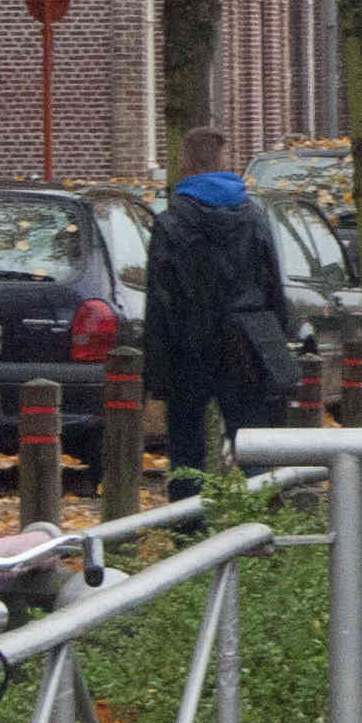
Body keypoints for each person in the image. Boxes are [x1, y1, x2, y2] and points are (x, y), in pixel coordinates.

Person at [148, 126, 293, 488]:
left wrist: (156, 368)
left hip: (188, 345)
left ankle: (189, 532)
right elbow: (272, 283)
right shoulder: (253, 217)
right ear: (223, 161)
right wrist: (278, 339)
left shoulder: (170, 224)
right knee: (252, 443)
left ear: (185, 164)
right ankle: (262, 522)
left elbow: (160, 300)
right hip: (244, 343)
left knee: (186, 451)